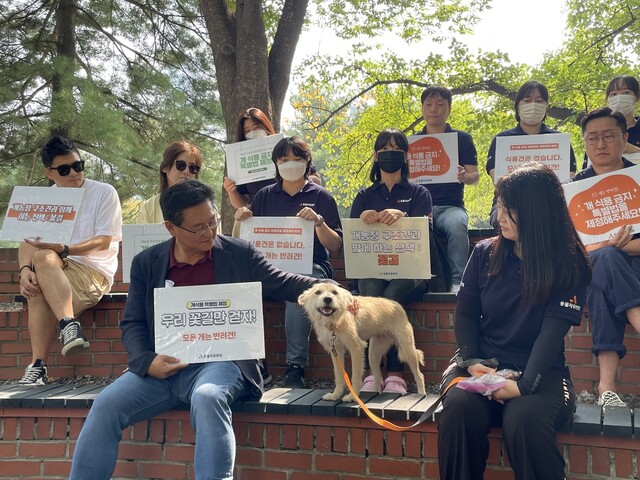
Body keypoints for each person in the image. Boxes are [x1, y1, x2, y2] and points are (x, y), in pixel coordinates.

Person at [69, 180, 324, 480]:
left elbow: (283, 282)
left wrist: (331, 289)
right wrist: (147, 361)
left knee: (207, 397)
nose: (209, 232)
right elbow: (133, 323)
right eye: (198, 228)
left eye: (212, 222)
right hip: (162, 368)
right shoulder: (146, 263)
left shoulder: (238, 253)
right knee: (106, 404)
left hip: (221, 365)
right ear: (171, 228)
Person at [437, 162, 591, 480]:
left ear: (536, 212)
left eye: (509, 210)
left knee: (525, 420)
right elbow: (465, 313)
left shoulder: (568, 261)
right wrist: (472, 358)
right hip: (483, 365)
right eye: (499, 207)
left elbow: (551, 335)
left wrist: (522, 386)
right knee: (459, 410)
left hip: (541, 373)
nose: (499, 218)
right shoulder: (483, 254)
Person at [235, 136, 343, 388]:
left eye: (297, 158)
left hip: (312, 266)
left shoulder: (322, 197)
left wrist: (319, 223)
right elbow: (245, 240)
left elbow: (335, 245)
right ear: (276, 163)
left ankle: (296, 366)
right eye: (284, 159)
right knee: (238, 288)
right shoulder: (263, 196)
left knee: (301, 288)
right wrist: (241, 219)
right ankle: (254, 363)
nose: (291, 164)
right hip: (269, 267)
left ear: (308, 162)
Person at [17, 135, 122, 384]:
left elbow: (104, 241)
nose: (74, 173)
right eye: (65, 169)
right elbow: (26, 242)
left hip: (93, 271)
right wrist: (23, 270)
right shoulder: (45, 200)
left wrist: (65, 248)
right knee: (35, 282)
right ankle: (55, 344)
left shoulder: (103, 193)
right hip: (54, 269)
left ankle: (40, 361)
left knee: (43, 260)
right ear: (48, 172)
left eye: (78, 165)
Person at [350, 129, 432, 394]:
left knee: (393, 297)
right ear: (375, 156)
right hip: (374, 268)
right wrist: (363, 219)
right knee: (371, 290)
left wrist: (403, 216)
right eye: (384, 150)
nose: (390, 155)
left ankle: (396, 374)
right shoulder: (363, 196)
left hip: (411, 272)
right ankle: (374, 373)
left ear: (406, 156)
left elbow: (426, 234)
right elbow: (352, 237)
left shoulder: (419, 193)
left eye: (396, 150)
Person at [570, 106, 640, 408]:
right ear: (585, 143)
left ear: (624, 139)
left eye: (609, 136)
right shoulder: (573, 190)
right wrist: (607, 247)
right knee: (605, 260)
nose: (601, 144)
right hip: (595, 264)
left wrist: (619, 246)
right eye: (593, 138)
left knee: (602, 282)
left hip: (632, 263)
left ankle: (606, 388)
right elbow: (573, 248)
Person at [486, 80, 577, 229]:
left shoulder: (559, 141)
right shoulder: (502, 139)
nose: (533, 105)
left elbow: (568, 177)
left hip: (549, 203)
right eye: (527, 100)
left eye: (539, 101)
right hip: (508, 203)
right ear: (518, 106)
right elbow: (497, 179)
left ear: (546, 107)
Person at [419, 85, 479, 292]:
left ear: (449, 109)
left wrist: (464, 176)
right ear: (422, 109)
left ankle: (457, 282)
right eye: (428, 104)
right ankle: (417, 280)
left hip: (450, 207)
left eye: (440, 104)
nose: (433, 109)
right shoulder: (413, 142)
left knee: (457, 224)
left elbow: (475, 176)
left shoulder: (461, 139)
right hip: (419, 207)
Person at [222, 107, 322, 210]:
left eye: (256, 127)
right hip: (261, 217)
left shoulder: (287, 146)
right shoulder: (239, 159)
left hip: (294, 211)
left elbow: (317, 181)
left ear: (265, 126)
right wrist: (231, 191)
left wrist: (294, 178)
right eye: (247, 131)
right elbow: (242, 204)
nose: (252, 132)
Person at [582, 74, 640, 169]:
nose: (619, 97)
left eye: (626, 92)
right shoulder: (596, 130)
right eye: (614, 94)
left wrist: (634, 150)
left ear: (636, 97)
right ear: (607, 99)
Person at [137, 141, 203, 223]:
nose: (186, 171)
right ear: (165, 167)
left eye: (192, 168)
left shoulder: (206, 206)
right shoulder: (148, 208)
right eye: (181, 165)